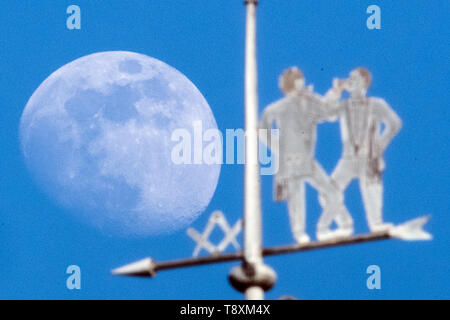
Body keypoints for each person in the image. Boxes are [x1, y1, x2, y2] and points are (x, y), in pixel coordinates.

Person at [259, 67, 354, 243]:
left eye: (301, 83)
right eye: (297, 85)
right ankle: (299, 233)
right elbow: (262, 128)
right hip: (290, 162)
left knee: (332, 193)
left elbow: (329, 113)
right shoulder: (280, 107)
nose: (301, 88)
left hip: (308, 161)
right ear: (289, 87)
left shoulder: (311, 102)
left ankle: (329, 226)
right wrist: (279, 148)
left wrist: (335, 91)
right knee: (296, 200)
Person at [317, 67, 402, 235]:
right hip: (348, 159)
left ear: (364, 82)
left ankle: (376, 223)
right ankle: (344, 223)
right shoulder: (344, 105)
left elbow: (395, 123)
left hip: (368, 158)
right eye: (350, 78)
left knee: (372, 190)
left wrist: (380, 144)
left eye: (355, 78)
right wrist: (335, 91)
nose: (351, 81)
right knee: (326, 192)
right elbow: (325, 114)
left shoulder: (377, 104)